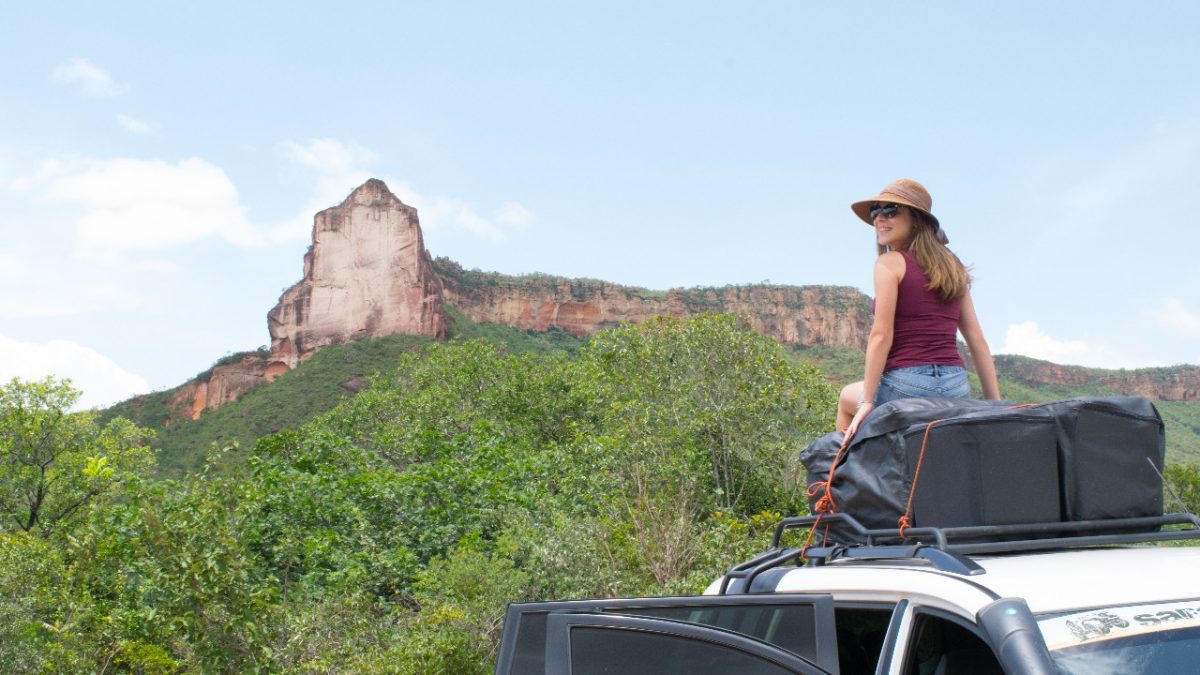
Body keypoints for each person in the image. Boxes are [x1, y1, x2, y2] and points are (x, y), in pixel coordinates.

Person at [838, 178, 1000, 437]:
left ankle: (848, 476)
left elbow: (881, 335)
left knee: (846, 397)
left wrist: (867, 401)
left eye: (891, 210)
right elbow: (977, 339)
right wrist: (995, 404)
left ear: (915, 219)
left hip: (906, 384)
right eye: (875, 211)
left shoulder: (889, 263)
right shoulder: (952, 265)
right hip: (955, 387)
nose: (880, 218)